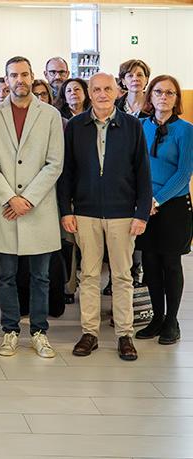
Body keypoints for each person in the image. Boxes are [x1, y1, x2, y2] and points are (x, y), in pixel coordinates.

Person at [59, 72, 151, 361]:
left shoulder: (132, 126)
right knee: (88, 274)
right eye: (96, 89)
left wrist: (141, 213)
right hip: (85, 213)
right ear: (89, 92)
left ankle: (125, 334)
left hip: (123, 214)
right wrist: (66, 211)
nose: (101, 94)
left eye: (107, 89)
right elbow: (66, 173)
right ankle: (90, 333)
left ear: (117, 91)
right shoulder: (75, 126)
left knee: (123, 276)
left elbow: (142, 173)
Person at [0, 56, 64, 359]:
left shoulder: (50, 114)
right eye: (13, 75)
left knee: (41, 276)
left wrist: (28, 199)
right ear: (5, 80)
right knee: (5, 276)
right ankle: (10, 330)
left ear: (32, 76)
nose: (20, 80)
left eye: (24, 74)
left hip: (38, 208)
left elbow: (55, 164)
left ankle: (39, 331)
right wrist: (9, 197)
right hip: (6, 208)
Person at [135, 75, 193, 345]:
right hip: (144, 205)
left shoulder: (186, 130)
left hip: (172, 206)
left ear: (176, 99)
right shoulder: (138, 126)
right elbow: (133, 166)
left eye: (170, 93)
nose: (164, 97)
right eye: (159, 92)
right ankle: (156, 317)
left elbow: (183, 173)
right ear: (151, 96)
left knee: (170, 263)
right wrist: (143, 200)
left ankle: (172, 321)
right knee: (150, 263)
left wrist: (156, 200)